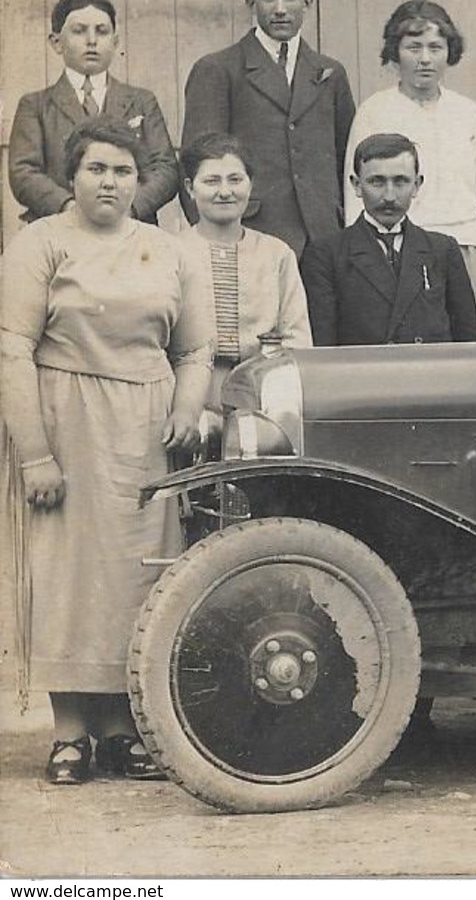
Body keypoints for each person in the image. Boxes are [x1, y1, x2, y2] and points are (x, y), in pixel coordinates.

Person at [1, 118, 212, 784]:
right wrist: (35, 452)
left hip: (144, 425)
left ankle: (123, 729)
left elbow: (197, 349)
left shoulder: (171, 249)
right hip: (64, 419)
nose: (110, 183)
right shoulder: (40, 243)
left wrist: (184, 407)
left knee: (134, 569)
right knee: (65, 572)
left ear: (140, 180)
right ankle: (68, 733)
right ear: (72, 176)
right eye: (97, 169)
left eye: (124, 171)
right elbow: (12, 348)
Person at [183, 0, 356, 256]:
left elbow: (347, 158)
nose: (280, 9)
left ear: (308, 2)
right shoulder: (219, 69)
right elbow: (196, 163)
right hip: (249, 236)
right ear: (250, 2)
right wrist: (214, 238)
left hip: (323, 240)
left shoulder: (330, 73)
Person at [344, 0, 476, 338]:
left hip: (466, 248)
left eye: (435, 47)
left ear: (449, 52)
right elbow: (357, 196)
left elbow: (475, 189)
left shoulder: (466, 111)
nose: (425, 59)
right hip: (402, 249)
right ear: (395, 53)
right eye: (414, 47)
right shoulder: (375, 111)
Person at [9, 0, 180, 224]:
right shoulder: (36, 106)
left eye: (102, 31)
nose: (92, 41)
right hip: (60, 225)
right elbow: (24, 172)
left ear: (115, 42)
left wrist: (128, 209)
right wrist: (69, 208)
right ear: (57, 42)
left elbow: (166, 169)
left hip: (131, 226)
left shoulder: (141, 101)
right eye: (79, 31)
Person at [173, 132, 312, 410]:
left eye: (235, 179)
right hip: (185, 396)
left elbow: (297, 339)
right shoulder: (170, 251)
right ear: (190, 187)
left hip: (263, 393)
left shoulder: (277, 254)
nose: (225, 191)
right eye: (211, 181)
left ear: (251, 184)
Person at [301, 133, 476, 346]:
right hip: (363, 376)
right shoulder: (326, 254)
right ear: (356, 185)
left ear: (416, 185)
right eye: (377, 182)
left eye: (400, 181)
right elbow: (324, 349)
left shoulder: (443, 250)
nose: (389, 196)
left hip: (431, 376)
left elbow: (469, 344)